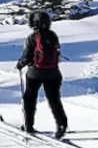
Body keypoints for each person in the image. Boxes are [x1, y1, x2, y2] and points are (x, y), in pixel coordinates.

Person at [16, 10, 69, 139]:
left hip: (35, 73)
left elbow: (27, 56)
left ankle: (28, 125)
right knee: (54, 100)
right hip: (54, 73)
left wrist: (20, 64)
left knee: (30, 98)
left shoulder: (32, 37)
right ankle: (61, 125)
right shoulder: (53, 35)